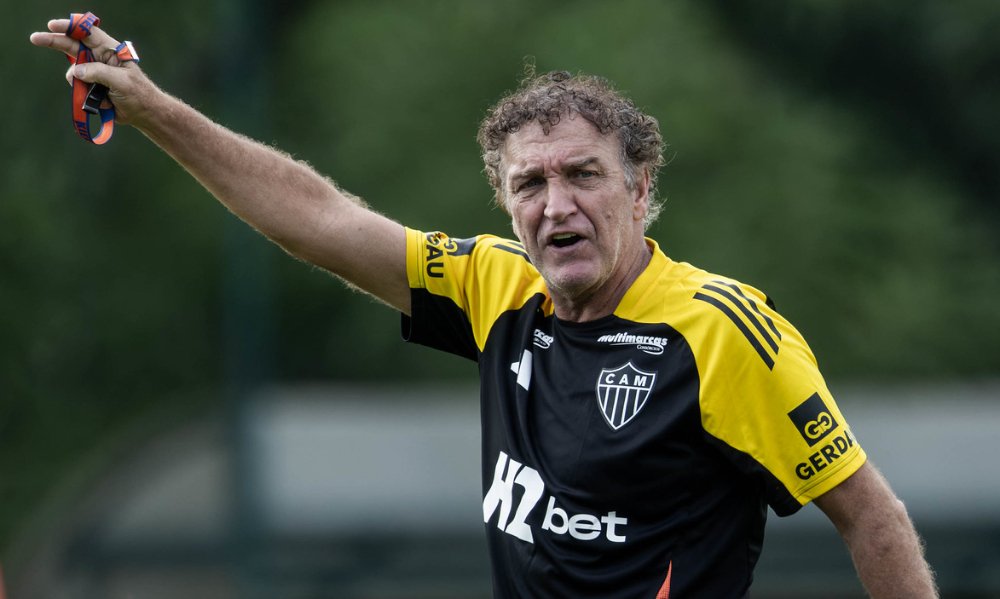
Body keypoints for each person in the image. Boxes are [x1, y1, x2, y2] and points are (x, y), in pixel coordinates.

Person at [31, 15, 938, 599]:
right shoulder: (496, 286)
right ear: (505, 202)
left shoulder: (723, 333)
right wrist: (153, 110)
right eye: (529, 183)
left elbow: (872, 515)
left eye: (584, 175)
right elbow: (320, 217)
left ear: (641, 187)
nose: (556, 205)